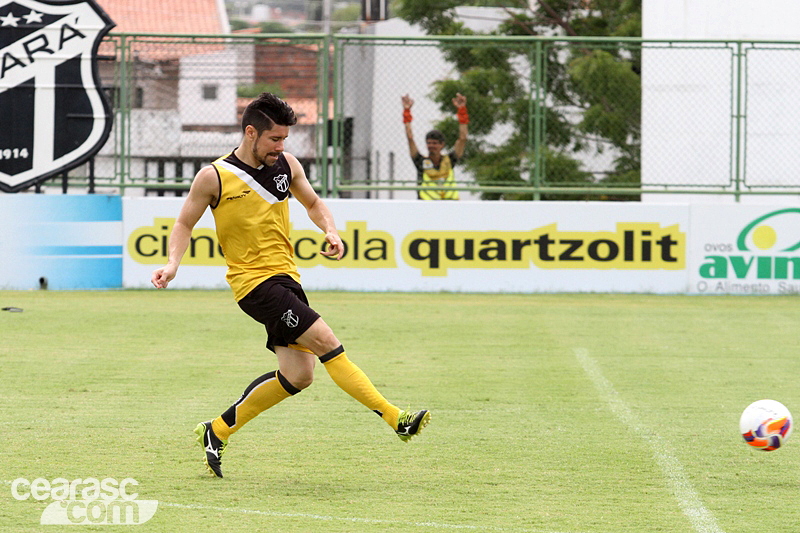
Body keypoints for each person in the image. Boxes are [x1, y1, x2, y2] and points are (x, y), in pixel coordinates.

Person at [151, 92, 431, 478]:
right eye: (274, 139)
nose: (281, 147)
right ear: (251, 133)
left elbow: (313, 203)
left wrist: (330, 230)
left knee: (300, 375)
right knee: (328, 343)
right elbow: (184, 223)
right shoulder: (214, 176)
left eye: (284, 139)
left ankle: (217, 430)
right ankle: (394, 417)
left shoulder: (287, 165)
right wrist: (172, 263)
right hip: (254, 285)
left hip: (287, 279)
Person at [402, 92, 469, 200]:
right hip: (426, 208)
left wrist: (462, 111)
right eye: (428, 143)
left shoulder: (450, 160)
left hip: (450, 207)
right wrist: (406, 111)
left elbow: (463, 138)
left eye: (434, 143)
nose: (431, 146)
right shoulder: (420, 162)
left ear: (442, 145)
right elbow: (410, 137)